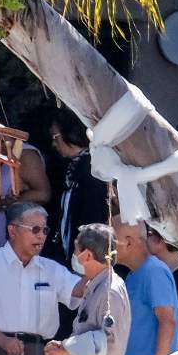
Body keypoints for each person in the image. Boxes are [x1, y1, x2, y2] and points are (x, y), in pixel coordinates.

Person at [0, 201, 87, 355]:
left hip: (41, 353)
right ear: (12, 230)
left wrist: (93, 261)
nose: (41, 236)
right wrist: (1, 340)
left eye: (45, 230)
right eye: (35, 229)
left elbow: (81, 290)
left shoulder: (52, 269)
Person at [45, 224, 131, 355]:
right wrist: (64, 347)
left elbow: (107, 342)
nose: (74, 254)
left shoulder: (110, 291)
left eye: (76, 248)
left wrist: (66, 348)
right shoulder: (95, 285)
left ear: (88, 255)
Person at [47, 109, 110, 260]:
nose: (54, 144)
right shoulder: (71, 166)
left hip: (86, 252)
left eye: (56, 137)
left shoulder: (92, 166)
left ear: (72, 133)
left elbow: (93, 211)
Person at [114, 218, 178, 355]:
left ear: (129, 242)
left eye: (112, 240)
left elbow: (167, 322)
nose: (109, 247)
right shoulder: (132, 275)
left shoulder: (154, 271)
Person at [0, 134, 51, 251]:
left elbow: (43, 194)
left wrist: (2, 203)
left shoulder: (26, 155)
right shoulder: (2, 156)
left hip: (16, 251)